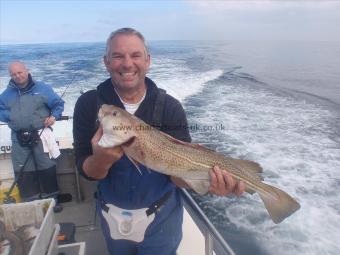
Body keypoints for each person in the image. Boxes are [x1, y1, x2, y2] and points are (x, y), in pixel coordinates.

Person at [73, 28, 245, 255]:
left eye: (135, 55)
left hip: (162, 219)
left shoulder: (170, 107)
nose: (127, 64)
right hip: (111, 214)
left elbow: (177, 176)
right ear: (106, 62)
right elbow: (86, 170)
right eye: (117, 56)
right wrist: (101, 161)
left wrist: (208, 182)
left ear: (148, 61)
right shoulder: (88, 103)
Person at [0, 61, 64, 212]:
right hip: (18, 137)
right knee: (24, 171)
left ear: (27, 71)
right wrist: (11, 116)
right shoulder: (6, 95)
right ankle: (31, 205)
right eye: (14, 74)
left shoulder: (43, 88)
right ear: (10, 76)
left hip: (41, 135)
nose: (17, 76)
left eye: (20, 72)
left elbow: (58, 104)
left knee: (46, 167)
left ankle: (52, 201)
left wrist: (54, 116)